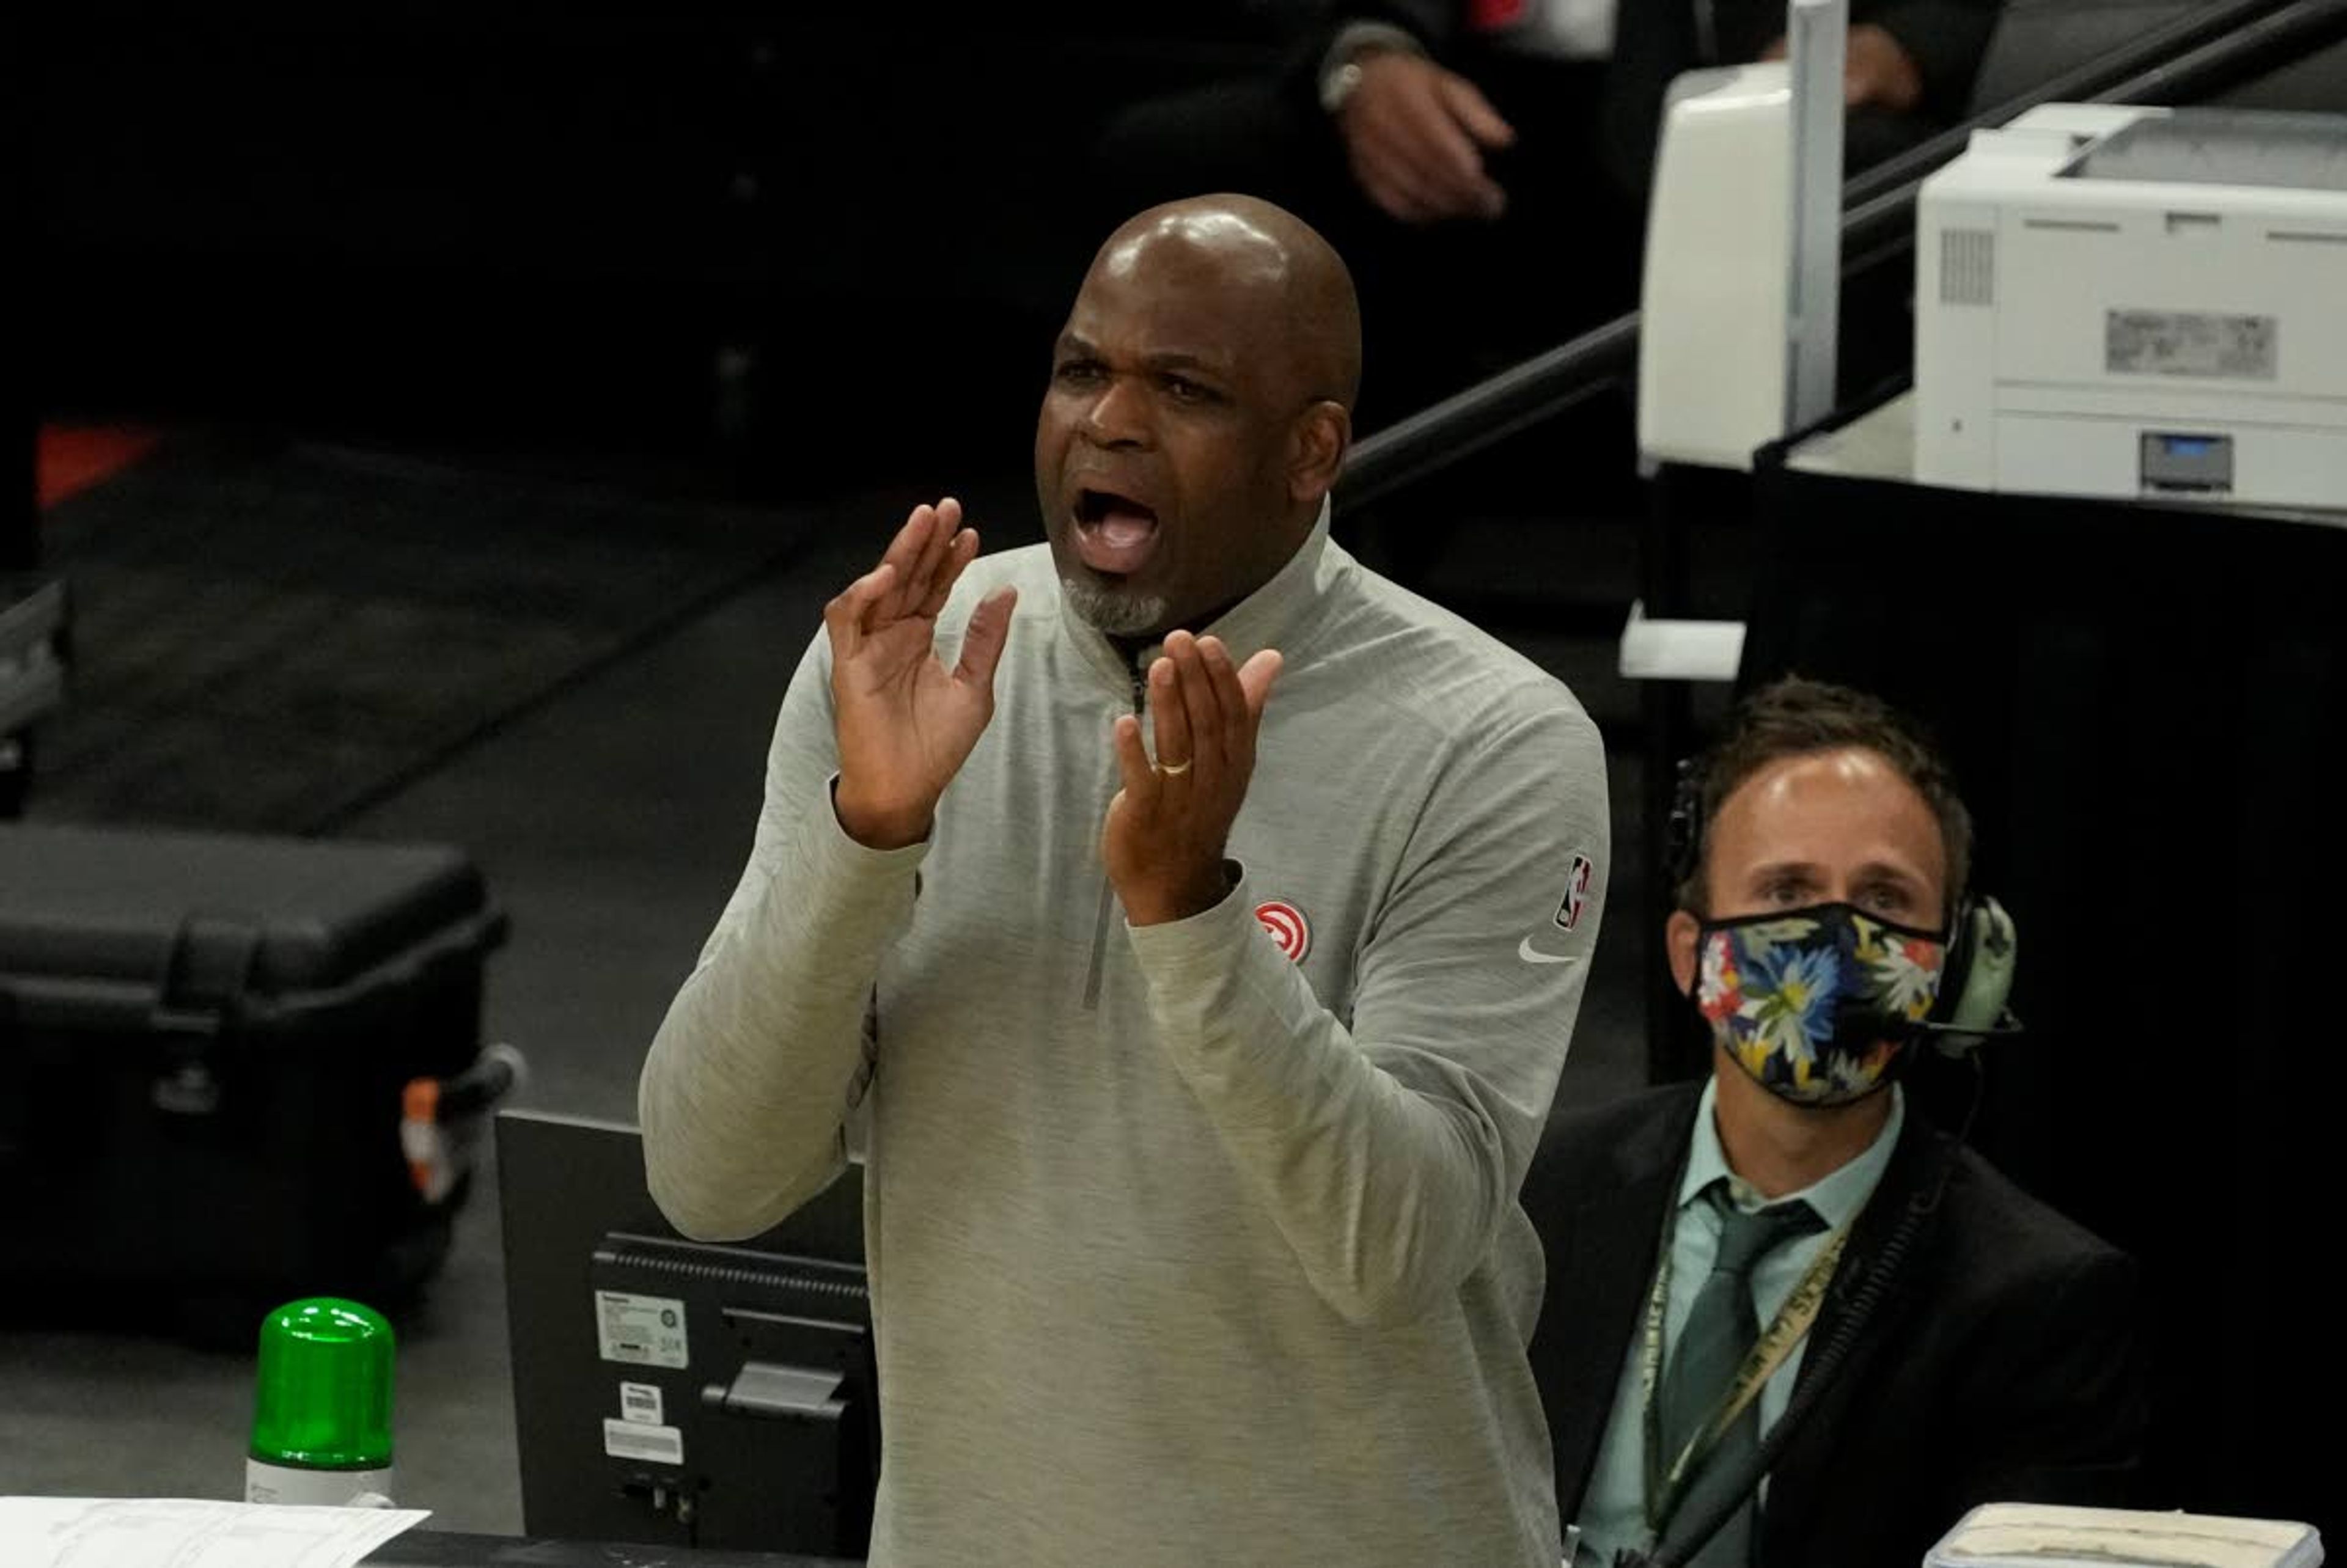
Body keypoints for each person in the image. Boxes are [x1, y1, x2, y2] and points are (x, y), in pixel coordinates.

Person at [638, 193, 1612, 1567]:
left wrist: (1195, 918)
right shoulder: (912, 670)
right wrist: (866, 838)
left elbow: (1397, 1244)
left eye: (1185, 387)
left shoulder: (1492, 742)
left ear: (1311, 449)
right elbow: (707, 1174)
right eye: (1082, 369)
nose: (1107, 422)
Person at [1521, 675, 2144, 1568]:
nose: (1836, 938)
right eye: (1786, 891)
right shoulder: (1537, 1193)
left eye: (1885, 899)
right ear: (1692, 954)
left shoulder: (2040, 1299)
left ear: (1958, 965)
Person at [1092, 0, 2000, 417]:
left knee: (1882, 186)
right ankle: (1205, 593)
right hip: (1465, 94)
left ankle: (1832, 634)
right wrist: (1361, 54)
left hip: (1747, 87)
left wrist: (1902, 42)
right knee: (1180, 161)